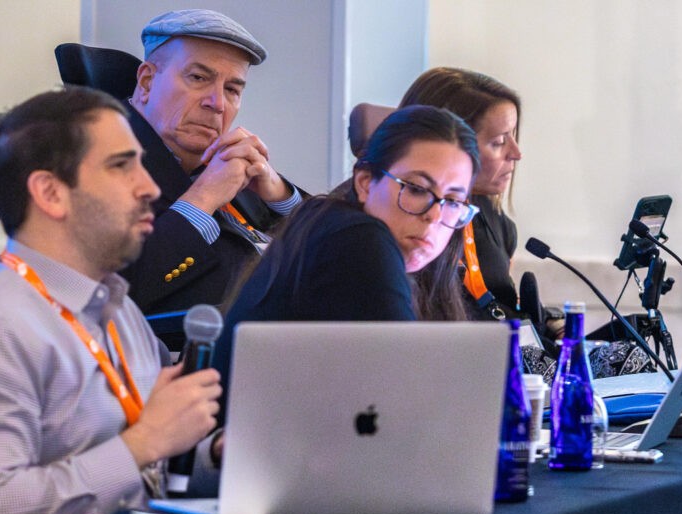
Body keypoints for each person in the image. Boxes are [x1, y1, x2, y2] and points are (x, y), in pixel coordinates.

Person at [0, 86, 223, 514]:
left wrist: (216, 453)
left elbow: (155, 468)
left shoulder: (118, 310)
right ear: (51, 193)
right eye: (121, 166)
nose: (150, 188)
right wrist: (143, 443)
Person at [211, 105, 481, 426]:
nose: (434, 216)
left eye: (453, 201)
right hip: (246, 453)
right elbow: (408, 405)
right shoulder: (358, 238)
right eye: (416, 189)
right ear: (365, 183)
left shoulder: (330, 225)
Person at [119, 9, 305, 315]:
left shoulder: (227, 161)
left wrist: (282, 195)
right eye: (198, 78)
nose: (217, 104)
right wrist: (203, 199)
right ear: (147, 82)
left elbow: (331, 245)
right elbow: (117, 290)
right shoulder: (99, 161)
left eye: (231, 89)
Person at [397, 67, 524, 322]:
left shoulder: (499, 224)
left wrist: (551, 323)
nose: (516, 153)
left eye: (513, 136)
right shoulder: (400, 224)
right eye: (499, 142)